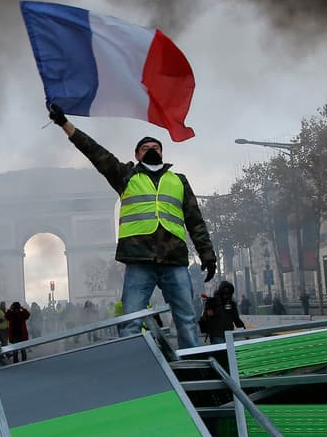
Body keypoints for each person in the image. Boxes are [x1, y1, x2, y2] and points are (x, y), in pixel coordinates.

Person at [48, 104, 217, 350]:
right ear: (136, 155)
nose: (151, 150)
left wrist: (208, 255)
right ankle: (136, 364)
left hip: (174, 259)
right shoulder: (124, 176)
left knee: (186, 318)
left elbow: (196, 222)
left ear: (162, 152)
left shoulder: (179, 181)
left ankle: (194, 363)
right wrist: (66, 125)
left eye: (155, 147)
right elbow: (95, 152)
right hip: (140, 260)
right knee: (131, 320)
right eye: (145, 148)